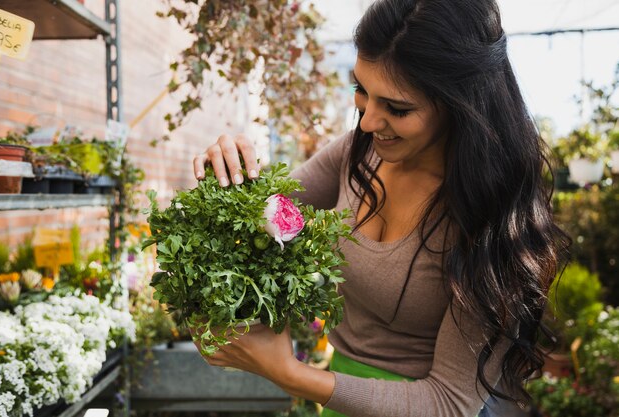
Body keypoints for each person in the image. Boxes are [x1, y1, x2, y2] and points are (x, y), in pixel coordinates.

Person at [191, 0, 570, 416]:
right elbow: (260, 211)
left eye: (398, 108)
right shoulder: (359, 153)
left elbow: (449, 404)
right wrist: (229, 175)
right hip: (338, 399)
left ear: (460, 103)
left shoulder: (493, 218)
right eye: (361, 90)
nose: (369, 121)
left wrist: (288, 373)